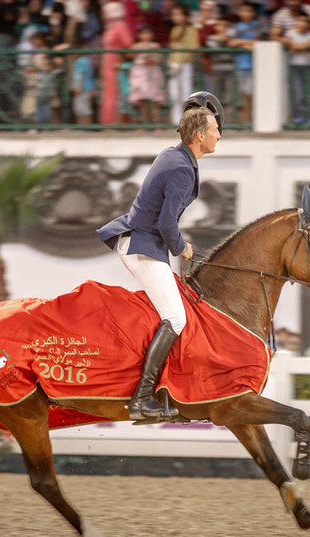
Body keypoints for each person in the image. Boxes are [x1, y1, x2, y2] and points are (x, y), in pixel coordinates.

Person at [96, 92, 223, 421]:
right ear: (199, 136)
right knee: (177, 318)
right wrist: (182, 248)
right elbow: (167, 222)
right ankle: (141, 398)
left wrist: (178, 245)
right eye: (215, 130)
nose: (219, 135)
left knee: (173, 313)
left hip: (143, 241)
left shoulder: (174, 155)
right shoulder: (182, 169)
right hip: (142, 245)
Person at [283, 11, 310, 125]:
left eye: (305, 21)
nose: (302, 23)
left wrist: (298, 48)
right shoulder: (290, 33)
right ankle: (298, 117)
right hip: (296, 66)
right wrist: (306, 45)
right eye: (300, 20)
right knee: (297, 92)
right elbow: (291, 45)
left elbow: (296, 46)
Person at [228, 2, 262, 124]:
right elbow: (231, 43)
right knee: (245, 96)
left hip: (256, 66)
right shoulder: (237, 26)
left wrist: (241, 43)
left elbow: (257, 42)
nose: (246, 13)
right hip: (241, 65)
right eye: (243, 11)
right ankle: (247, 122)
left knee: (254, 95)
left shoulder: (257, 25)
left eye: (248, 11)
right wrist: (246, 43)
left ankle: (255, 120)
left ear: (253, 13)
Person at [99, 1, 133, 124]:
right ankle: (107, 122)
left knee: (115, 94)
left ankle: (116, 122)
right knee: (108, 94)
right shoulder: (109, 27)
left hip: (115, 65)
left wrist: (121, 60)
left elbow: (128, 46)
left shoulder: (121, 26)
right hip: (107, 65)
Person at [128, 24, 166, 125]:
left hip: (153, 74)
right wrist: (138, 48)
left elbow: (159, 57)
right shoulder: (136, 46)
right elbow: (129, 54)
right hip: (140, 75)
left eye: (148, 33)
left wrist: (152, 60)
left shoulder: (155, 46)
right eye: (143, 33)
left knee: (155, 101)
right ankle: (143, 124)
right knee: (142, 101)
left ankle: (157, 124)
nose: (146, 35)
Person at [167, 4, 199, 123]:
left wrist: (181, 62)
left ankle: (187, 121)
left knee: (186, 93)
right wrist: (172, 62)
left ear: (186, 16)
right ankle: (176, 121)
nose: (175, 17)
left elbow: (192, 48)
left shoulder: (191, 30)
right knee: (174, 94)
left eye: (178, 14)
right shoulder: (174, 29)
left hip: (185, 65)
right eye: (174, 14)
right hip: (173, 64)